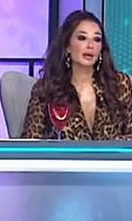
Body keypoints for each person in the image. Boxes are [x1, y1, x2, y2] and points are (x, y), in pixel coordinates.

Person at [22, 10, 132, 139]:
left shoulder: (119, 84)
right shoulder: (46, 89)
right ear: (67, 46)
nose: (90, 45)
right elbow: (31, 140)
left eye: (97, 39)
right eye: (82, 38)